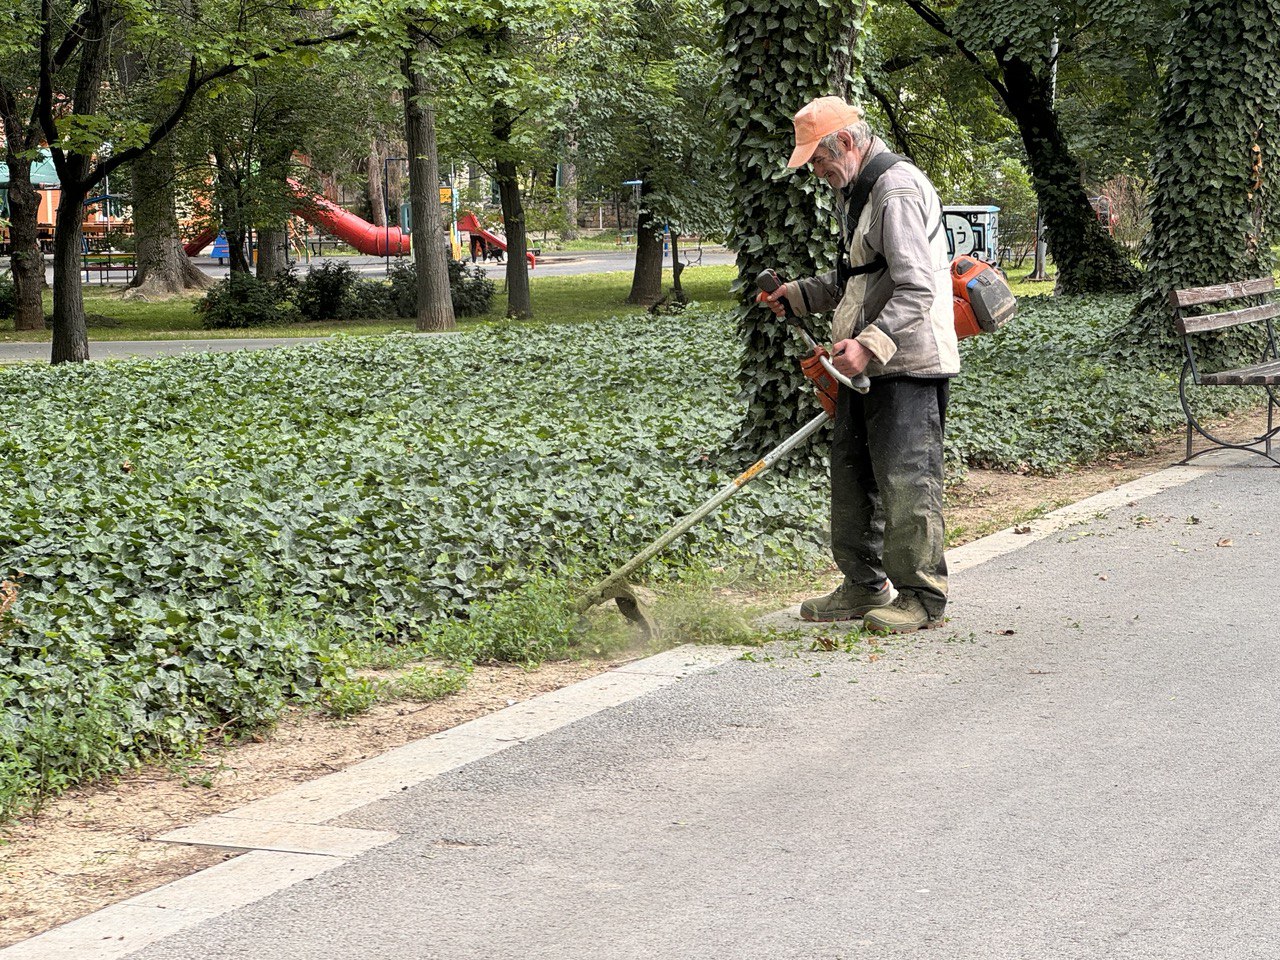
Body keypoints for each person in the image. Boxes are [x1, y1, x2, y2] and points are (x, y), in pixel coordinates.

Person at [759, 96, 958, 634]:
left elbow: (917, 286)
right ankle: (863, 584)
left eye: (821, 164)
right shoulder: (858, 194)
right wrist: (798, 295)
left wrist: (868, 344)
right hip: (862, 367)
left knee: (905, 483)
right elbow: (857, 281)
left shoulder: (895, 190)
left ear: (845, 143)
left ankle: (921, 596)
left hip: (908, 363)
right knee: (851, 478)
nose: (820, 175)